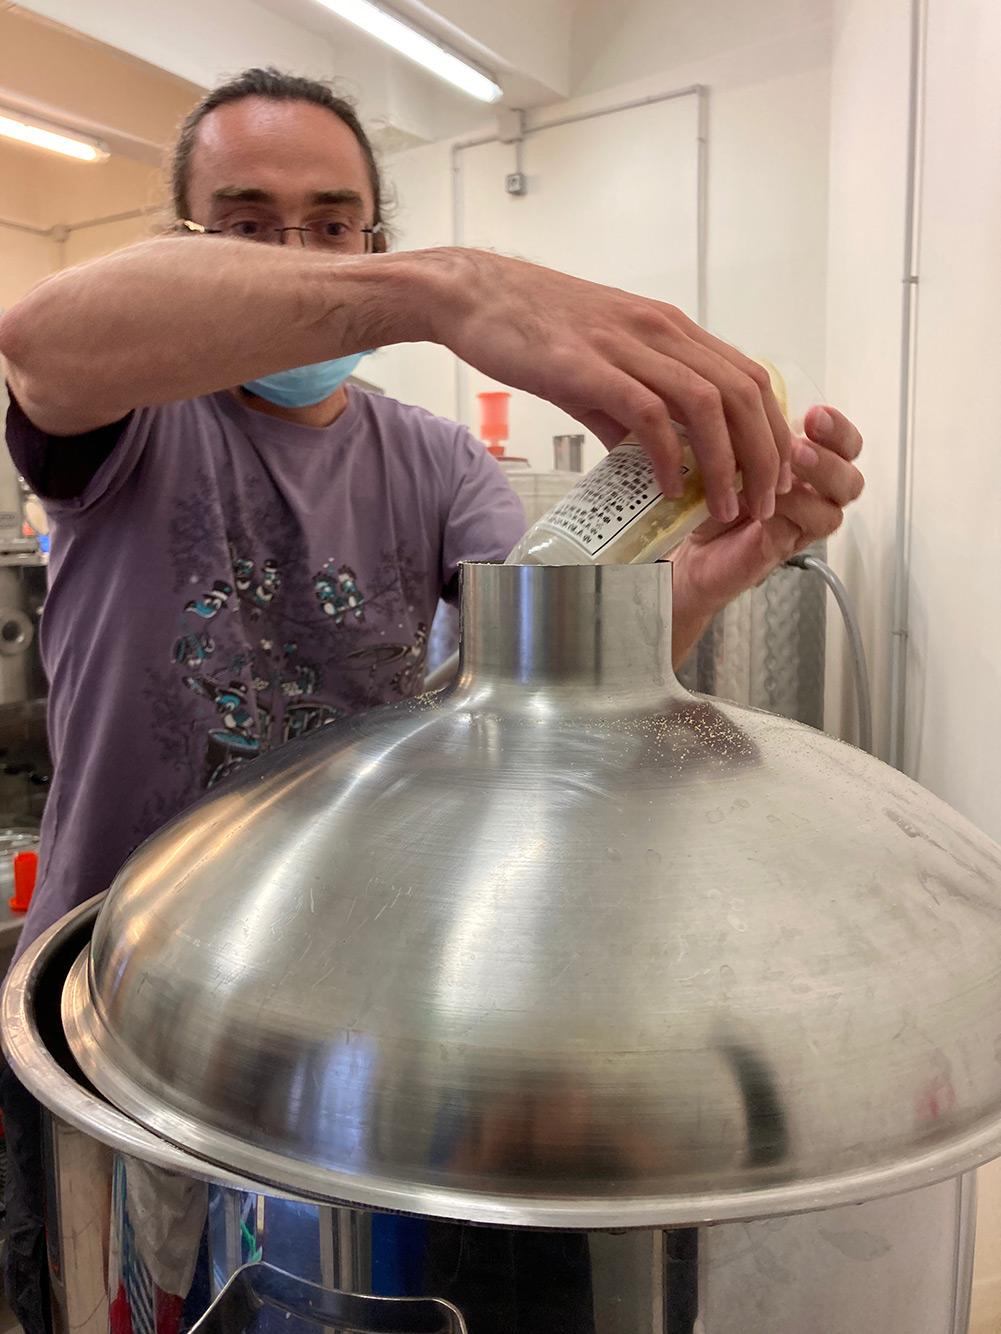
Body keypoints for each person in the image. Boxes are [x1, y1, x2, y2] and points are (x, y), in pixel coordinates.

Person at [0, 66, 864, 1334]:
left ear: (370, 234)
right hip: (119, 998)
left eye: (332, 222)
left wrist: (695, 582)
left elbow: (523, 695)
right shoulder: (135, 420)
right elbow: (39, 337)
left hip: (332, 1028)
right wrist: (452, 289)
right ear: (186, 242)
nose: (297, 253)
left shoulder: (435, 458)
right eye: (246, 224)